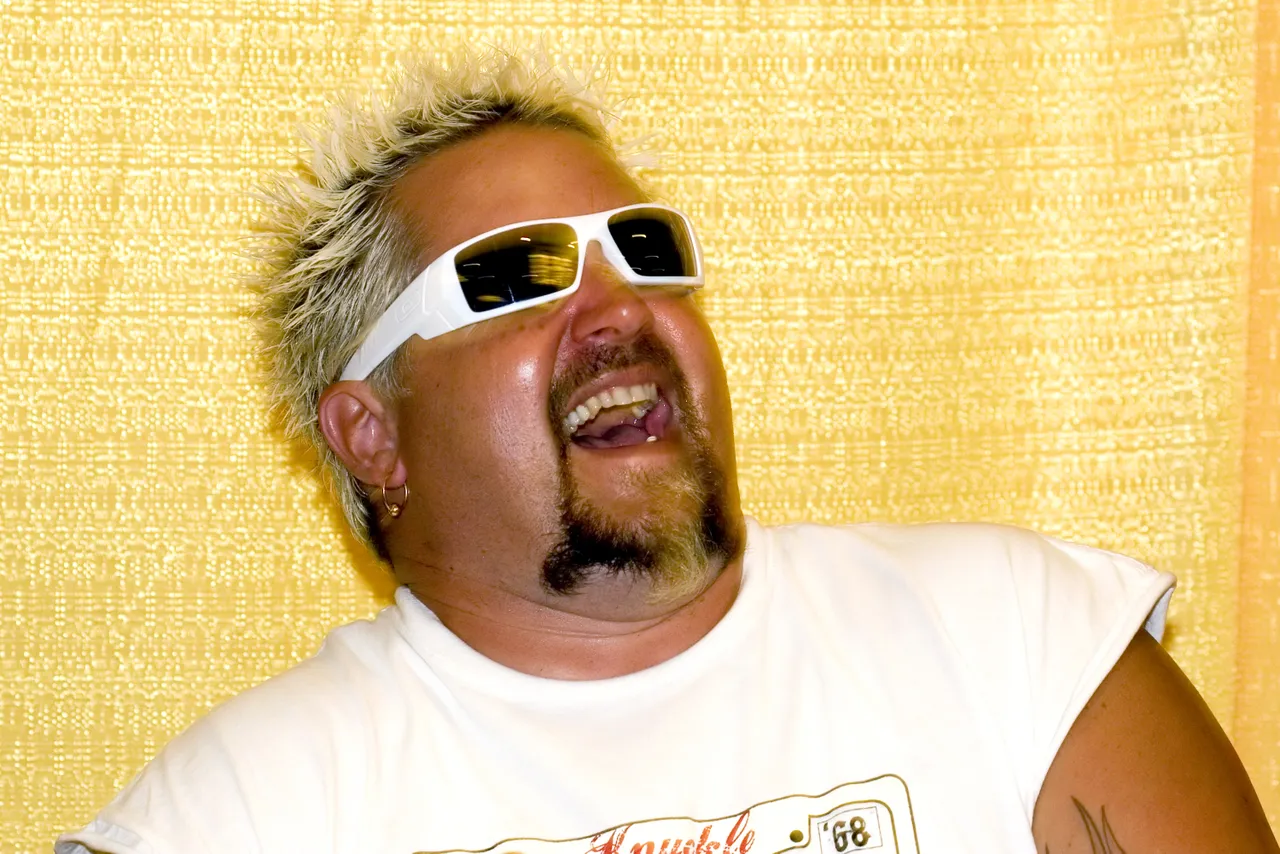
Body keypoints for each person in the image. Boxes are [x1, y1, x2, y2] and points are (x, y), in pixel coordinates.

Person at [58, 49, 1277, 854]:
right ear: (372, 433)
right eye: (516, 276)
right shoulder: (246, 807)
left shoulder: (1012, 635)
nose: (616, 306)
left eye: (646, 251)